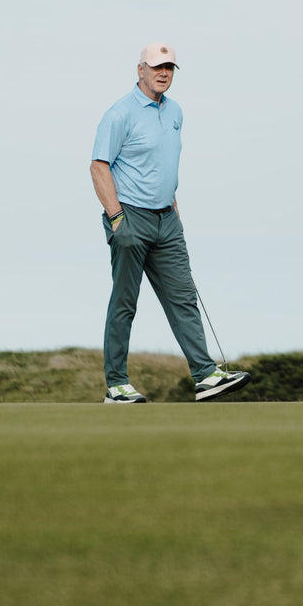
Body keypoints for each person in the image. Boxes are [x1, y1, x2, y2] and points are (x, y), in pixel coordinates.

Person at [89, 43, 249, 404]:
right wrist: (117, 218)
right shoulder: (120, 114)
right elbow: (99, 166)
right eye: (157, 67)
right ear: (140, 69)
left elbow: (162, 167)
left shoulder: (175, 111)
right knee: (125, 303)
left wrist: (173, 212)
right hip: (129, 217)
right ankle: (116, 385)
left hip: (167, 220)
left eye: (170, 68)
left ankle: (206, 376)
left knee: (184, 298)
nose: (164, 73)